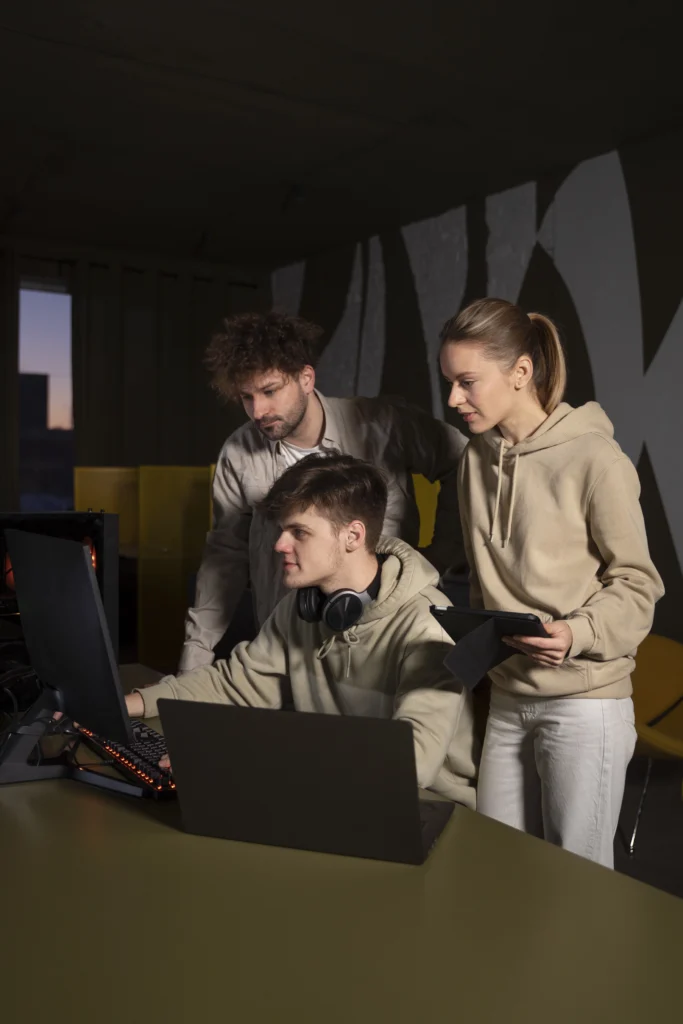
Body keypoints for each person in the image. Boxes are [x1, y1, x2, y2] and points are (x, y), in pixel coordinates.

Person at [439, 297, 664, 867]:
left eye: (467, 382)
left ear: (520, 373)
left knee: (578, 882)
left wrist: (576, 632)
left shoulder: (596, 459)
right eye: (449, 382)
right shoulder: (474, 461)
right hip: (509, 697)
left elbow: (639, 585)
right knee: (495, 867)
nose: (452, 399)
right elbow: (481, 585)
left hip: (585, 703)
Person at [127, 454, 477, 806]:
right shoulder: (303, 609)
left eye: (299, 532)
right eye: (282, 530)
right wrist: (131, 704)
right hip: (335, 790)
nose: (279, 545)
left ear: (353, 535)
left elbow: (412, 762)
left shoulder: (427, 625)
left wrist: (248, 758)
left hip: (425, 806)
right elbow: (235, 684)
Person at [180, 310, 468, 673]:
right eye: (246, 397)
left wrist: (440, 556)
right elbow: (224, 559)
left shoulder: (382, 425)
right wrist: (194, 660)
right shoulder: (238, 453)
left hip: (381, 644)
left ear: (305, 377)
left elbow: (463, 461)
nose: (258, 411)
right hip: (283, 649)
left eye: (270, 391)